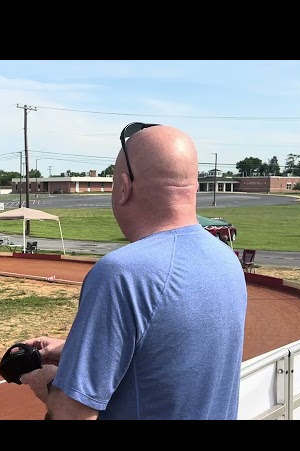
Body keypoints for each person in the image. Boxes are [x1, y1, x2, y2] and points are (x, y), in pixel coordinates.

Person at [18, 122, 248, 420]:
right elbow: (172, 353)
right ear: (192, 188)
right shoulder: (226, 259)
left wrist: (39, 377)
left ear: (124, 188)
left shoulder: (122, 274)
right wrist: (72, 351)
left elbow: (72, 413)